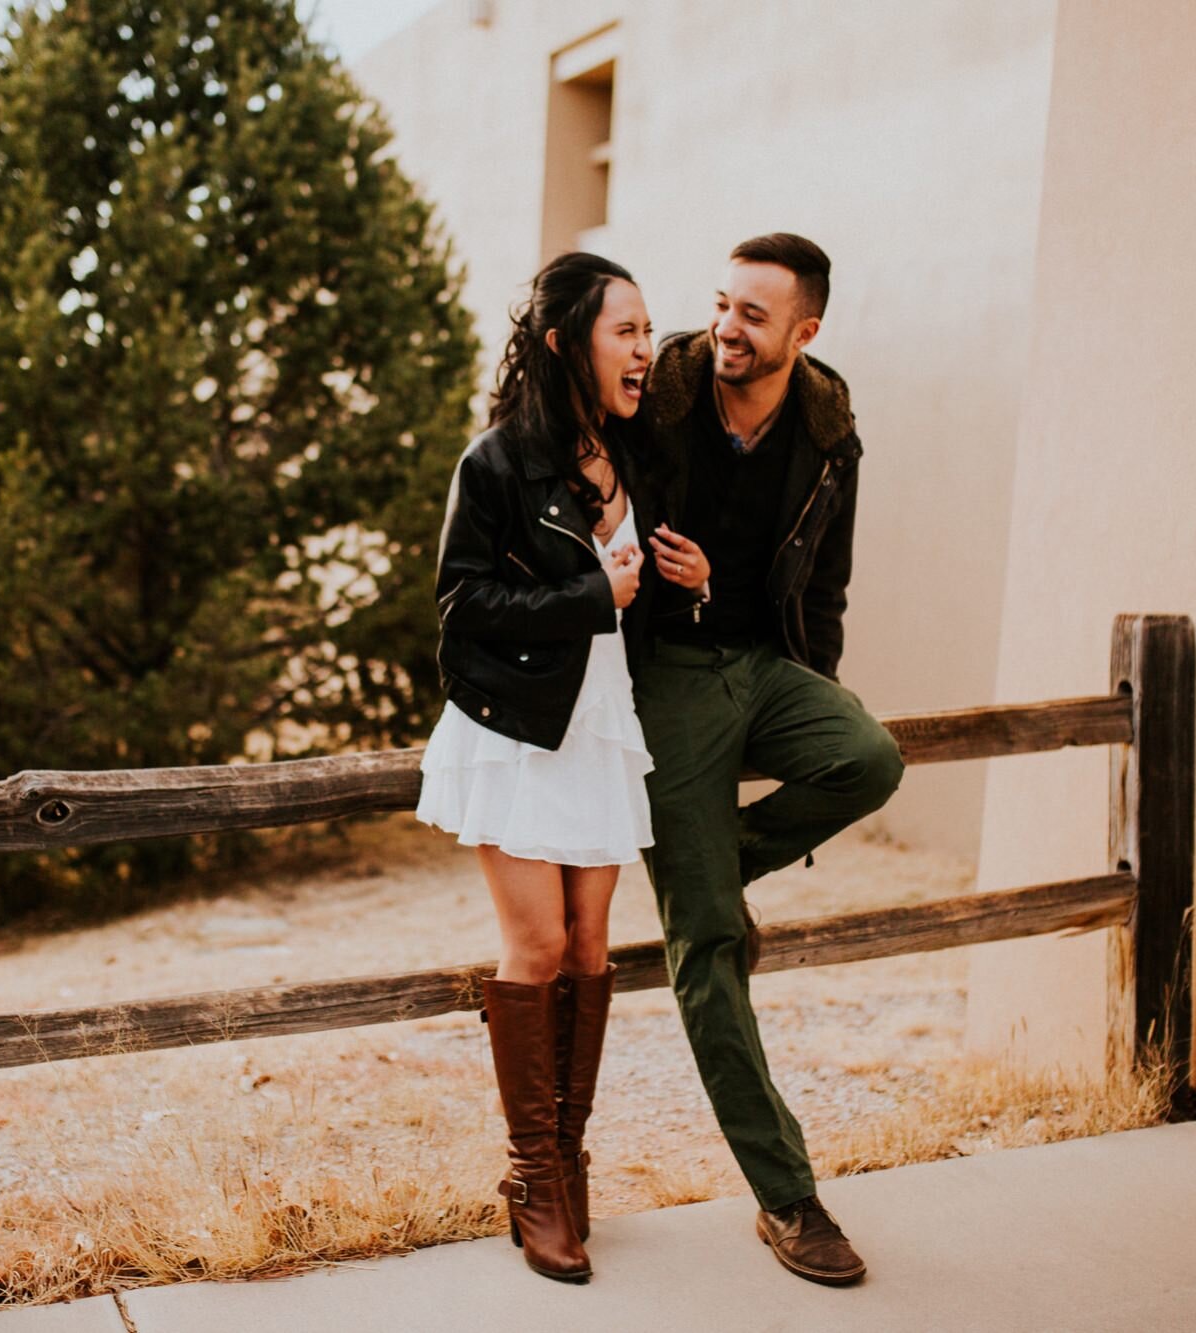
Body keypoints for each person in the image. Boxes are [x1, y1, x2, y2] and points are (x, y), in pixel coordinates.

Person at [629, 232, 904, 1287]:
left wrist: (815, 687)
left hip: (766, 663)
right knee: (705, 946)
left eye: (751, 314)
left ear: (804, 330)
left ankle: (712, 866)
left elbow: (822, 586)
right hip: (670, 672)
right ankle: (787, 1198)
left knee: (866, 755)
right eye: (720, 304)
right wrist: (671, 586)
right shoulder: (659, 397)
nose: (724, 328)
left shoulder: (829, 435)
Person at [416, 251, 662, 1284]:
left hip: (598, 722)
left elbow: (629, 597)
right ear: (567, 343)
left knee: (594, 947)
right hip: (514, 728)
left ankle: (565, 1157)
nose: (645, 351)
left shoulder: (631, 455)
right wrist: (588, 600)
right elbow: (459, 607)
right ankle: (533, 1176)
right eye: (626, 332)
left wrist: (668, 588)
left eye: (649, 333)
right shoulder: (494, 464)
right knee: (539, 944)